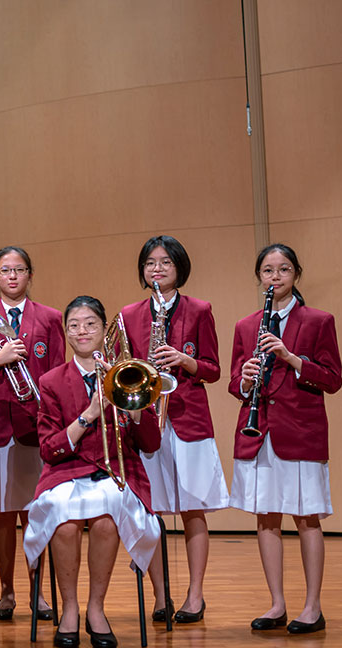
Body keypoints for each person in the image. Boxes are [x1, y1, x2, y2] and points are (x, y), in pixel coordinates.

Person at [23, 296, 163, 648]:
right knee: (64, 520)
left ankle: (96, 609)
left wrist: (134, 410)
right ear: (66, 333)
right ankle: (69, 609)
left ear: (104, 330)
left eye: (90, 324)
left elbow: (150, 444)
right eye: (74, 325)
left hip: (115, 470)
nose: (82, 331)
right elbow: (48, 448)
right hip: (66, 472)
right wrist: (89, 413)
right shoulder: (52, 381)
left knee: (105, 519)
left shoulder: (126, 373)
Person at [229, 243, 341, 634]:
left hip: (301, 432)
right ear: (259, 277)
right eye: (268, 271)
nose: (275, 277)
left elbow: (333, 379)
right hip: (259, 432)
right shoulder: (246, 326)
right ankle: (276, 604)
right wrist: (243, 379)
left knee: (306, 518)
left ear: (296, 275)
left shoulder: (318, 320)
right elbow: (233, 383)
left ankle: (313, 607)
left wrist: (293, 358)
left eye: (283, 270)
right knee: (266, 518)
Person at [120, 236, 229, 623]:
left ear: (179, 267)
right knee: (151, 512)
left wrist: (185, 359)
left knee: (193, 510)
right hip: (147, 421)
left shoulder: (200, 310)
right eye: (150, 263)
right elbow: (125, 368)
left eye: (165, 262)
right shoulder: (129, 314)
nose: (158, 269)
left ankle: (195, 595)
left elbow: (214, 370)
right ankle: (160, 595)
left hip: (188, 419)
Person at [0, 246, 64, 622]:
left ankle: (38, 591)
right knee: (2, 515)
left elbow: (58, 375)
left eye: (19, 269)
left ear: (30, 275)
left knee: (34, 514)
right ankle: (6, 591)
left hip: (36, 428)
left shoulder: (50, 318)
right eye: (5, 270)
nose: (13, 276)